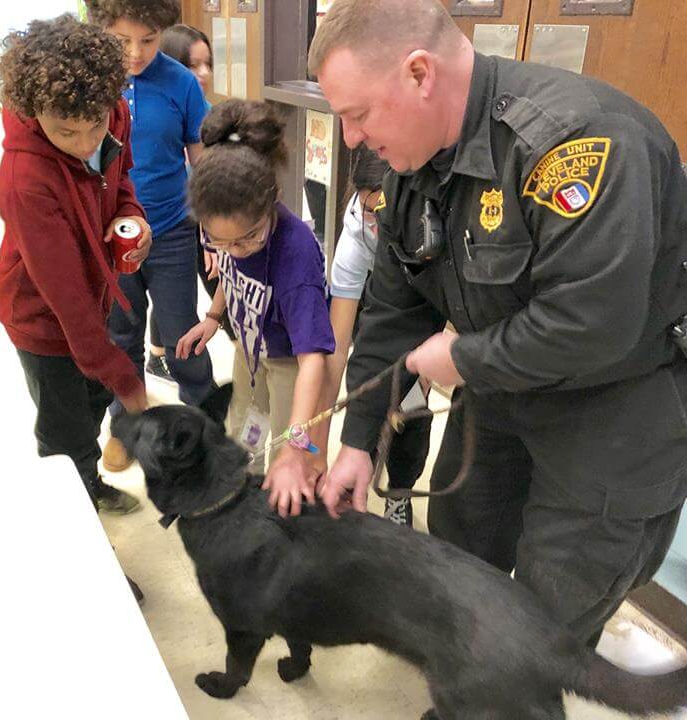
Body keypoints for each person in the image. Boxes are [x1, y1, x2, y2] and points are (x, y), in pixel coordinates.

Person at [311, 0, 687, 659]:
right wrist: (358, 443)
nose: (349, 139)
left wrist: (463, 356)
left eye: (356, 114)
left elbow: (594, 323)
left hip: (614, 408)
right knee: (457, 563)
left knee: (547, 620)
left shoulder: (573, 143)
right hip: (502, 392)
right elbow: (392, 315)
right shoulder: (414, 167)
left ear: (419, 73)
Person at [0, 16, 151, 520]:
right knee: (64, 434)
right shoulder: (23, 180)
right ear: (34, 112)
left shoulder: (111, 112)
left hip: (96, 299)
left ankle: (89, 479)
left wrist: (132, 215)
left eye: (96, 127)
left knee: (90, 403)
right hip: (43, 318)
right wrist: (130, 385)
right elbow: (69, 306)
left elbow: (119, 178)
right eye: (66, 131)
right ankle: (75, 524)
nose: (85, 144)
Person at [177, 100, 335, 519]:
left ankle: (287, 518)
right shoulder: (227, 228)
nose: (232, 249)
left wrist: (299, 445)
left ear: (272, 201)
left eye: (246, 239)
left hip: (288, 363)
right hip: (250, 351)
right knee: (247, 433)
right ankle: (247, 502)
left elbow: (314, 361)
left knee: (288, 447)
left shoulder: (294, 253)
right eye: (218, 240)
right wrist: (213, 317)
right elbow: (230, 272)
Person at [85, 0, 217, 473]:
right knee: (121, 335)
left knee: (182, 331)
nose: (136, 53)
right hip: (111, 235)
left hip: (172, 229)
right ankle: (125, 426)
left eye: (149, 40)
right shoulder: (91, 79)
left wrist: (215, 226)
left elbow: (200, 154)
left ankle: (202, 417)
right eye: (123, 41)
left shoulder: (179, 82)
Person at [323, 146, 432, 527]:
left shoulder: (427, 221)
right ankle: (358, 482)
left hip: (423, 318)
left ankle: (399, 493)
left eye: (383, 212)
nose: (376, 221)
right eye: (369, 210)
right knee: (366, 401)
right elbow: (337, 345)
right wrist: (317, 447)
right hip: (375, 315)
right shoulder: (355, 233)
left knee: (412, 416)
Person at [153, 23, 237, 362]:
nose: (203, 73)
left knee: (177, 293)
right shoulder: (167, 108)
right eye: (192, 65)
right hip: (181, 221)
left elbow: (209, 177)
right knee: (182, 291)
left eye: (207, 64)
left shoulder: (206, 111)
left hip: (199, 221)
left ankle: (159, 352)